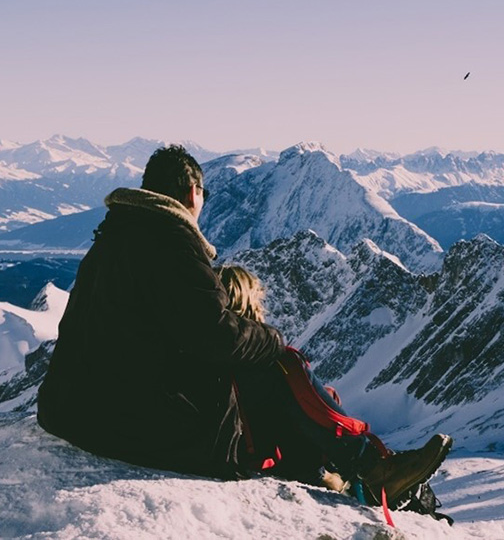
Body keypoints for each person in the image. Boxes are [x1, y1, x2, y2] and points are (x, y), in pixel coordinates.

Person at [37, 144, 449, 507]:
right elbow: (217, 338)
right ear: (192, 193)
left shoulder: (112, 239)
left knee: (259, 378)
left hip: (77, 411)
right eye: (204, 194)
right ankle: (370, 467)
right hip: (135, 421)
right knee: (281, 367)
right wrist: (272, 340)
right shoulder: (171, 240)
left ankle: (353, 466)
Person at [215, 264, 453, 510]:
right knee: (294, 377)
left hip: (238, 447)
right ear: (249, 301)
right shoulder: (263, 361)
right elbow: (313, 411)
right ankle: (374, 468)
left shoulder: (212, 355)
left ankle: (349, 472)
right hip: (257, 456)